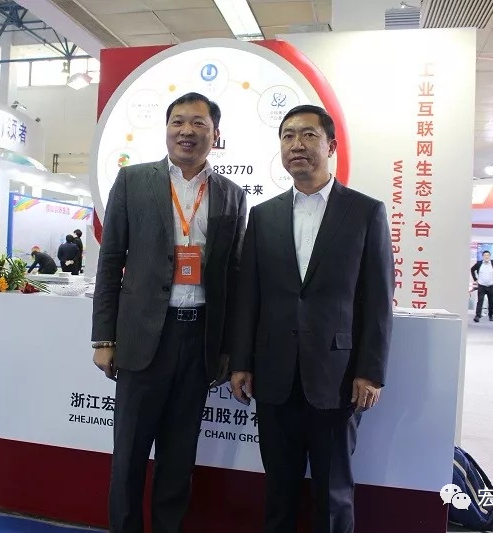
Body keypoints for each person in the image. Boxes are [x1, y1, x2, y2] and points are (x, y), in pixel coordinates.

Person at [229, 104, 394, 533]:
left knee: (334, 492)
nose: (296, 145)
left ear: (331, 146)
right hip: (274, 376)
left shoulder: (365, 212)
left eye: (308, 135)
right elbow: (249, 297)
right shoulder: (263, 215)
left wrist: (371, 371)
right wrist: (241, 362)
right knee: (278, 489)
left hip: (338, 378)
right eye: (287, 136)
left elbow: (378, 300)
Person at [92, 91, 247, 533]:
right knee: (129, 456)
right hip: (142, 340)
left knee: (179, 458)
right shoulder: (133, 181)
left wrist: (229, 350)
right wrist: (104, 338)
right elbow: (111, 261)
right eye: (178, 122)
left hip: (199, 342)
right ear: (166, 129)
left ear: (216, 134)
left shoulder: (232, 195)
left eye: (198, 123)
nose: (186, 131)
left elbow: (234, 277)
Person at [470, 250, 493, 322]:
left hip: (491, 285)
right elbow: (472, 269)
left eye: (488, 255)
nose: (486, 257)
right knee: (480, 301)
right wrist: (475, 279)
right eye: (485, 255)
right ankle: (477, 316)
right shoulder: (479, 264)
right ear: (482, 257)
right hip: (481, 285)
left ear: (490, 256)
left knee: (491, 301)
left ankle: (490, 315)